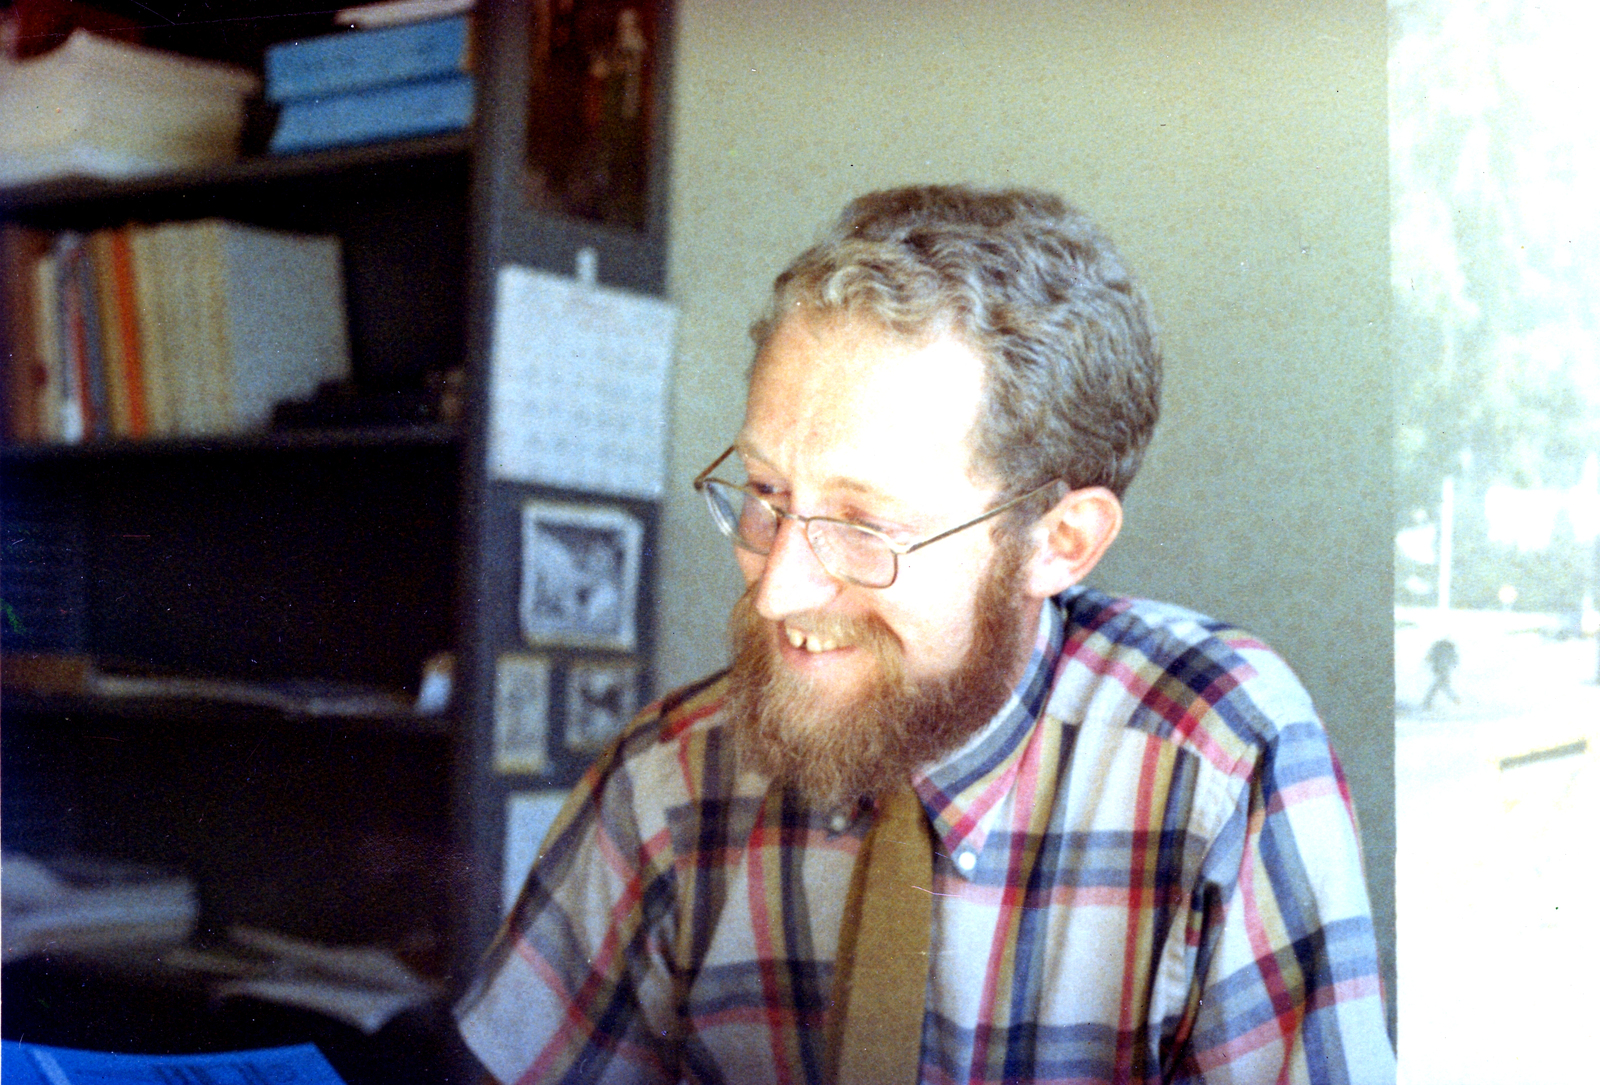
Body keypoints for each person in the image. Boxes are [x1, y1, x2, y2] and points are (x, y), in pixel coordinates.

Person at [455, 185, 1395, 1084]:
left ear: (1056, 544)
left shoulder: (1222, 766)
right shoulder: (665, 778)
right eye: (768, 495)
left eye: (864, 526)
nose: (778, 591)